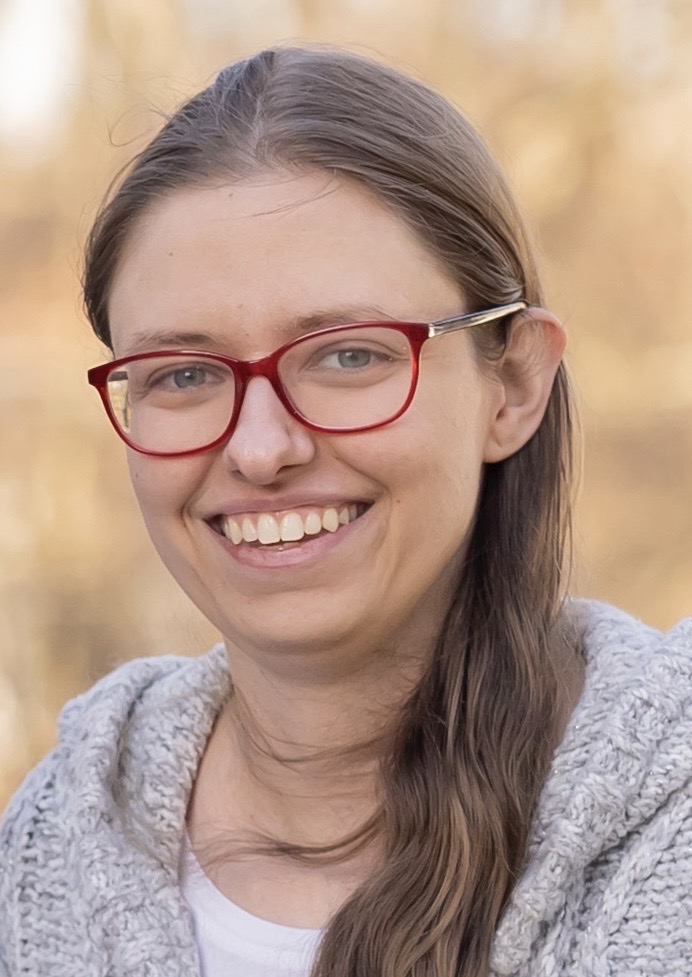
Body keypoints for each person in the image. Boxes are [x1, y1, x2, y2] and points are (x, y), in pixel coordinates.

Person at [1, 45, 690, 977]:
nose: (259, 448)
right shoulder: (48, 853)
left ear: (514, 384)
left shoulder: (668, 836)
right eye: (186, 374)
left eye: (348, 355)